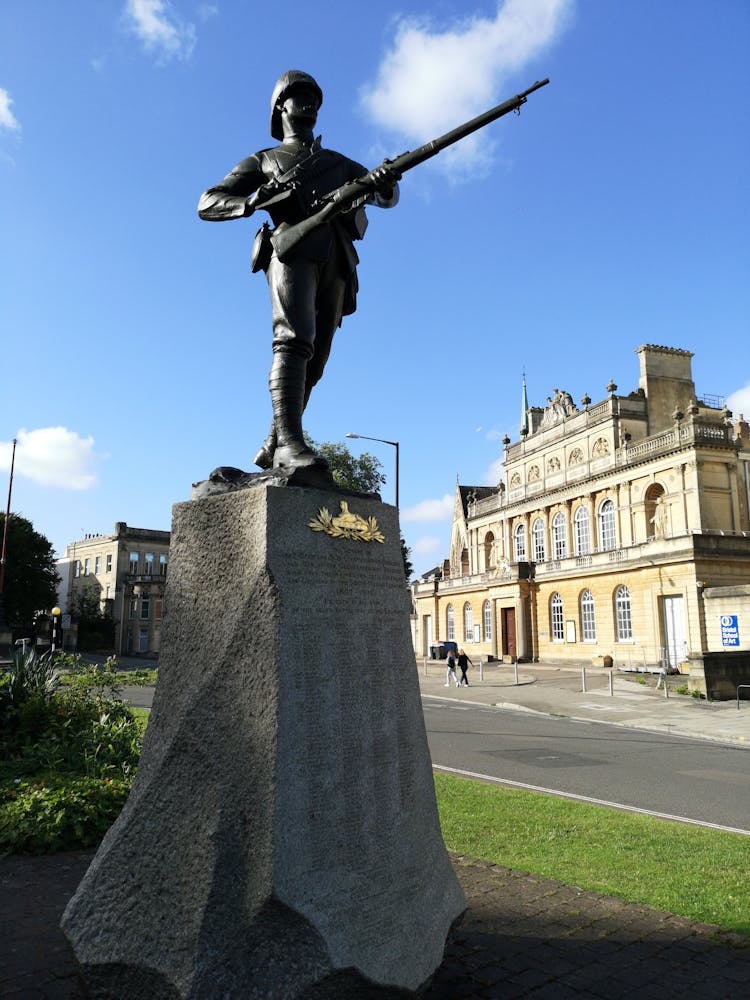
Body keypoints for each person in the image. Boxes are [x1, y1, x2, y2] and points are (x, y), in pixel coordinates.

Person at [198, 70, 400, 477]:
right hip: (291, 251)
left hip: (336, 258)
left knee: (317, 360)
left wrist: (385, 182)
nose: (310, 103)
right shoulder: (264, 160)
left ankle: (274, 441)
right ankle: (289, 443)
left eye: (315, 98)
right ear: (281, 107)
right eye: (300, 96)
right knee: (292, 342)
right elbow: (208, 201)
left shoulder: (337, 162)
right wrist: (252, 202)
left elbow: (385, 196)